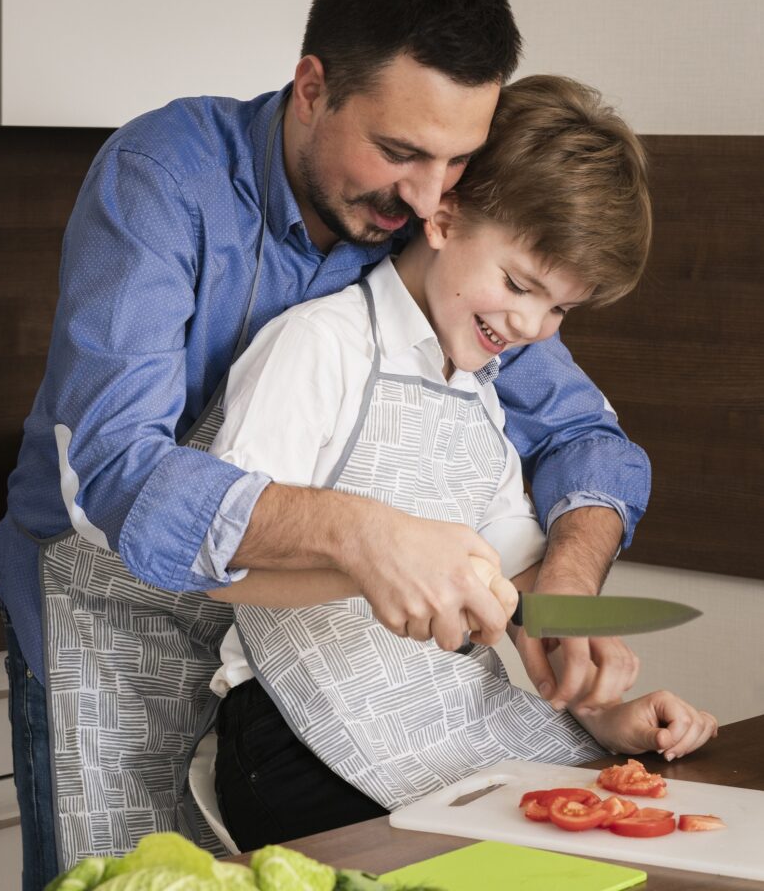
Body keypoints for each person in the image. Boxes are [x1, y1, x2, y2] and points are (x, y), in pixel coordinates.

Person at [0, 0, 649, 886]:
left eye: (453, 165)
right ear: (313, 87)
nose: (423, 197)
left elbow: (581, 435)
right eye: (400, 152)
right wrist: (361, 533)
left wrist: (565, 587)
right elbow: (115, 469)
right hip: (110, 614)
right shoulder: (165, 180)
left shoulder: (422, 220)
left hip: (271, 646)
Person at [205, 75, 716, 850]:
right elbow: (214, 555)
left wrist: (599, 709)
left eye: (559, 309)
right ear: (443, 215)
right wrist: (373, 565)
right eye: (518, 285)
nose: (532, 325)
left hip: (455, 726)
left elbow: (516, 598)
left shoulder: (482, 392)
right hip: (292, 734)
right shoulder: (320, 346)